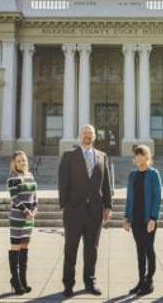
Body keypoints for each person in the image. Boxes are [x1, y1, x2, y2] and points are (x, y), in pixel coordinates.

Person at [58, 124, 112, 297]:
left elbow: (106, 184)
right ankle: (68, 284)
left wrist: (108, 206)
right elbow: (62, 183)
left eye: (90, 134)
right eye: (84, 133)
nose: (87, 136)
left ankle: (89, 282)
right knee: (70, 249)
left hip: (95, 212)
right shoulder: (68, 156)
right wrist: (65, 206)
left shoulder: (102, 156)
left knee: (92, 249)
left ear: (94, 136)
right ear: (79, 136)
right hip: (74, 211)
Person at [123, 145, 162, 296]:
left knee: (148, 249)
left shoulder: (153, 174)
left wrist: (153, 218)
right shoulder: (132, 175)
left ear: (147, 157)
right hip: (136, 219)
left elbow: (157, 197)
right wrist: (126, 218)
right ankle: (140, 281)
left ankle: (149, 281)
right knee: (139, 251)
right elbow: (129, 198)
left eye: (141, 154)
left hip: (148, 219)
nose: (138, 157)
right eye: (136, 155)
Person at [7, 151, 37, 295]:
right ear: (14, 162)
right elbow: (15, 199)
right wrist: (27, 212)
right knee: (16, 247)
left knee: (24, 247)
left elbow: (35, 196)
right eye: (19, 161)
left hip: (30, 219)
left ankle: (23, 281)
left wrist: (35, 210)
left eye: (24, 160)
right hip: (18, 218)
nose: (22, 162)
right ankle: (15, 280)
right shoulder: (13, 178)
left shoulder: (30, 176)